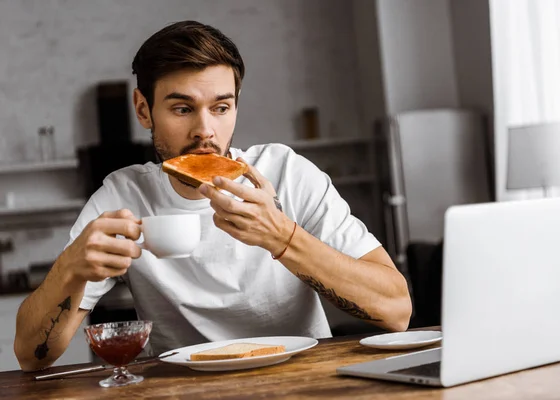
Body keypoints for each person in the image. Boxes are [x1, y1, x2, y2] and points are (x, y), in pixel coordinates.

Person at [14, 20, 412, 371]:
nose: (205, 131)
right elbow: (31, 357)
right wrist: (70, 268)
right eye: (183, 109)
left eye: (221, 108)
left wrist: (283, 238)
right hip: (178, 387)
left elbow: (397, 312)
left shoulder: (287, 173)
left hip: (301, 377)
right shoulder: (122, 195)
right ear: (143, 110)